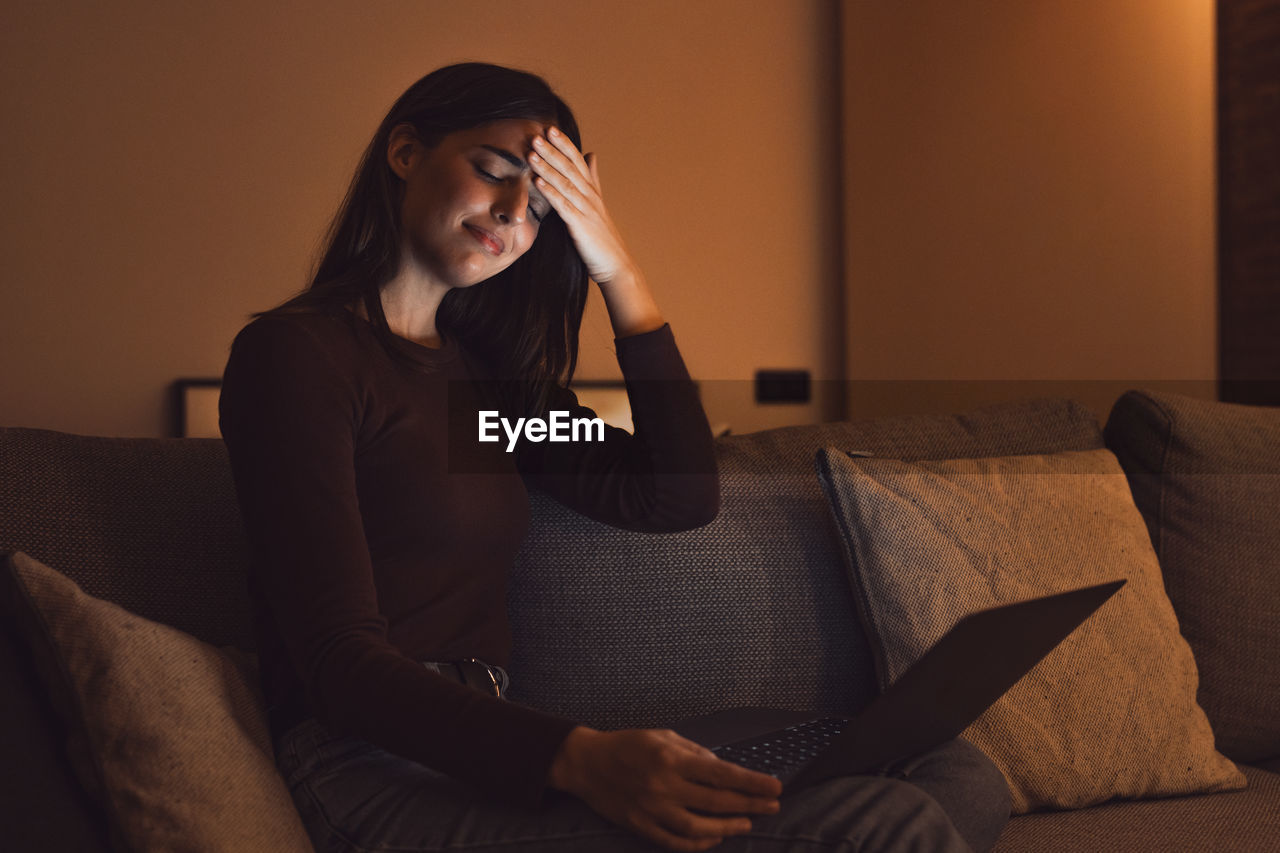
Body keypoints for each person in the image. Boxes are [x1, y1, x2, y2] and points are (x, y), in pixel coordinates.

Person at [218, 63, 1010, 853]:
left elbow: (676, 494)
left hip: (505, 753)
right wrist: (580, 755)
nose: (512, 212)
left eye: (543, 207)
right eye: (494, 172)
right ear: (404, 151)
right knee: (889, 824)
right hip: (372, 770)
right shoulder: (297, 358)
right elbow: (337, 662)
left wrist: (616, 267)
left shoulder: (487, 393)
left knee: (947, 772)